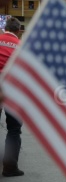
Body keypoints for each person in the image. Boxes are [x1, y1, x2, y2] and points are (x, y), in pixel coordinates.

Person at [0, 17, 24, 177]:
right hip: (11, 89)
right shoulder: (21, 47)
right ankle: (10, 167)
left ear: (5, 28)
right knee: (14, 129)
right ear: (18, 31)